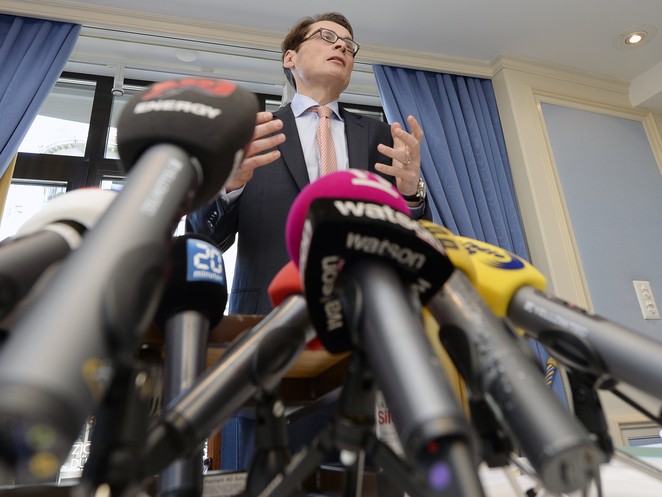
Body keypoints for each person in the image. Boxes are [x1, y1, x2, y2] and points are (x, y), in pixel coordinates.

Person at [186, 12, 431, 316]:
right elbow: (203, 240)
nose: (341, 47)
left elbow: (415, 247)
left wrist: (410, 194)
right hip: (265, 314)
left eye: (349, 46)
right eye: (327, 37)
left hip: (363, 316)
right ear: (290, 58)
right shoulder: (251, 135)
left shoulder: (382, 138)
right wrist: (230, 185)